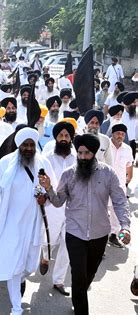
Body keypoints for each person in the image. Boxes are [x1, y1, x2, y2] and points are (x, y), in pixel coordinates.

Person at [40, 133, 131, 315]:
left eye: (87, 153)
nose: (82, 157)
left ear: (95, 153)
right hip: (75, 232)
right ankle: (81, 309)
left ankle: (79, 293)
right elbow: (58, 202)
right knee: (78, 275)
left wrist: (125, 226)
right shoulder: (68, 175)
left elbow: (120, 201)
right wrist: (49, 188)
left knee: (89, 274)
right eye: (80, 153)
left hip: (99, 233)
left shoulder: (108, 173)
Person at [0, 127, 55, 315]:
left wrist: (46, 198)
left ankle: (21, 281)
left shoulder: (43, 163)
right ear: (18, 146)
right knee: (15, 267)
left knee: (28, 267)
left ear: (35, 146)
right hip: (10, 224)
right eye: (24, 145)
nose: (28, 148)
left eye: (31, 145)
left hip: (34, 224)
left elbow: (53, 191)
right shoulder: (5, 163)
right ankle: (16, 308)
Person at [40, 121, 76, 296]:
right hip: (52, 206)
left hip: (71, 208)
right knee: (49, 239)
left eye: (66, 136)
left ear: (71, 139)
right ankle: (45, 256)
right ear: (56, 138)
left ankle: (59, 280)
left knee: (68, 245)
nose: (63, 138)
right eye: (60, 135)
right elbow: (42, 180)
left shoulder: (77, 159)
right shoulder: (48, 158)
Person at [108, 123, 133, 248]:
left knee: (116, 212)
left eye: (123, 134)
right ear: (113, 133)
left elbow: (129, 167)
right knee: (100, 210)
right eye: (118, 133)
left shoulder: (128, 149)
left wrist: (127, 181)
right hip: (103, 184)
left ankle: (114, 235)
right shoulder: (106, 145)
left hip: (119, 187)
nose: (120, 136)